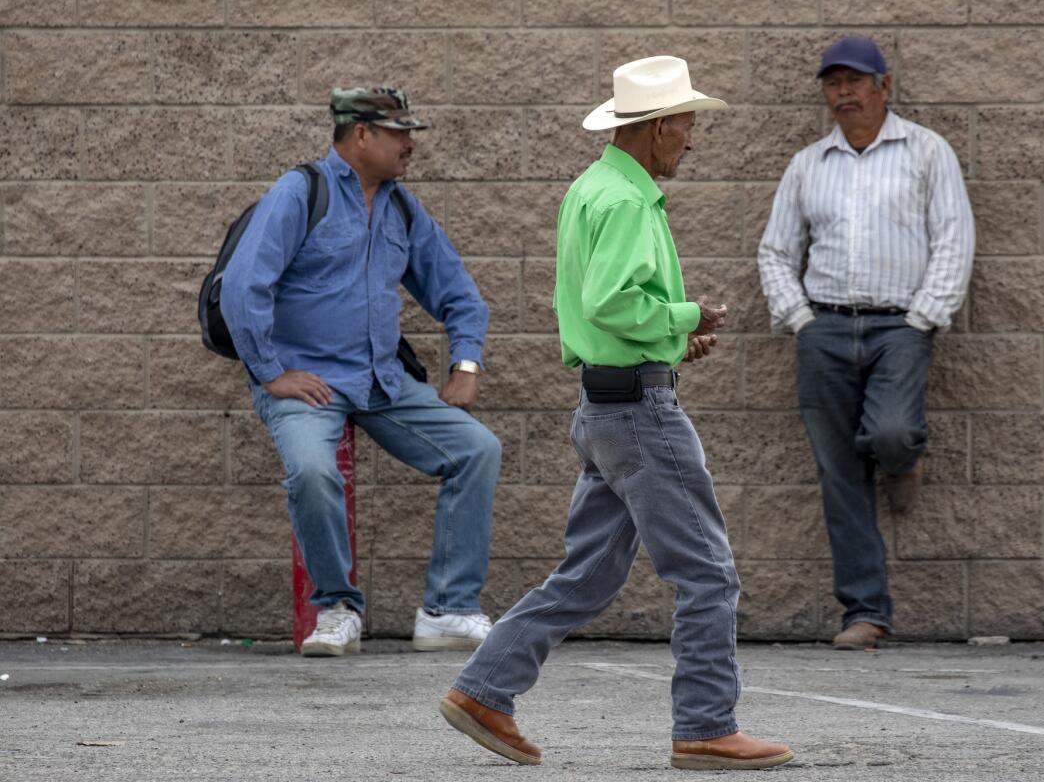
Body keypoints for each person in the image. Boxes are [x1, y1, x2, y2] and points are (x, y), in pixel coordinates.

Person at [439, 56, 794, 771]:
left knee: (589, 575)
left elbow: (593, 309)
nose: (693, 139)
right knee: (708, 573)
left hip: (605, 406)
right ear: (659, 126)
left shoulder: (592, 188)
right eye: (688, 124)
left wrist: (669, 338)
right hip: (639, 411)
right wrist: (688, 313)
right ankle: (705, 726)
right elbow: (611, 303)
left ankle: (484, 690)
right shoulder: (630, 202)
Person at [220, 87, 502, 656]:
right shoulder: (301, 192)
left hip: (382, 384)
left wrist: (465, 363)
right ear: (361, 136)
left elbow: (459, 295)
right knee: (313, 472)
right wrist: (272, 372)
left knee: (478, 451)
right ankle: (337, 609)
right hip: (309, 386)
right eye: (399, 134)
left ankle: (447, 610)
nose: (410, 145)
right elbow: (242, 285)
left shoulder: (401, 207)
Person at [758, 36, 975, 650]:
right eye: (834, 83)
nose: (844, 93)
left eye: (856, 81)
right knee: (839, 476)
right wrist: (800, 319)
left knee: (890, 432)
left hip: (899, 327)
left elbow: (954, 237)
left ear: (885, 87)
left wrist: (924, 317)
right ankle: (865, 613)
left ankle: (902, 459)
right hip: (822, 328)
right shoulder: (808, 165)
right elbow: (776, 250)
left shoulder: (927, 152)